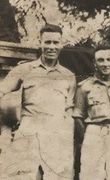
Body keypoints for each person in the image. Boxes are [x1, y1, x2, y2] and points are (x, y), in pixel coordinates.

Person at [0, 23, 76, 179]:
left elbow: (69, 112)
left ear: (62, 44)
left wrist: (67, 141)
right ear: (39, 43)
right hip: (28, 132)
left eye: (56, 42)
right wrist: (5, 130)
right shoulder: (23, 69)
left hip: (56, 135)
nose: (51, 47)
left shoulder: (69, 76)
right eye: (47, 42)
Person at [73, 45, 110, 179]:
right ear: (94, 63)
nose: (105, 64)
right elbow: (78, 116)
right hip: (93, 132)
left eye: (108, 60)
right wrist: (88, 138)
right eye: (100, 60)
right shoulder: (84, 87)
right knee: (90, 175)